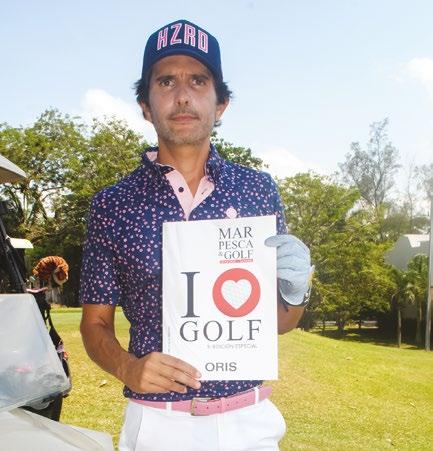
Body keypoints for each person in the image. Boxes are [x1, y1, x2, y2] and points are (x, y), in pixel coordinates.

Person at [80, 19, 313, 451]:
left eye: (198, 81)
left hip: (248, 423)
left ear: (220, 103)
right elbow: (94, 325)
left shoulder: (258, 190)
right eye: (166, 81)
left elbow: (280, 324)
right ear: (146, 104)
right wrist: (128, 367)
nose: (183, 95)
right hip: (157, 423)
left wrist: (295, 291)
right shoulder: (112, 204)